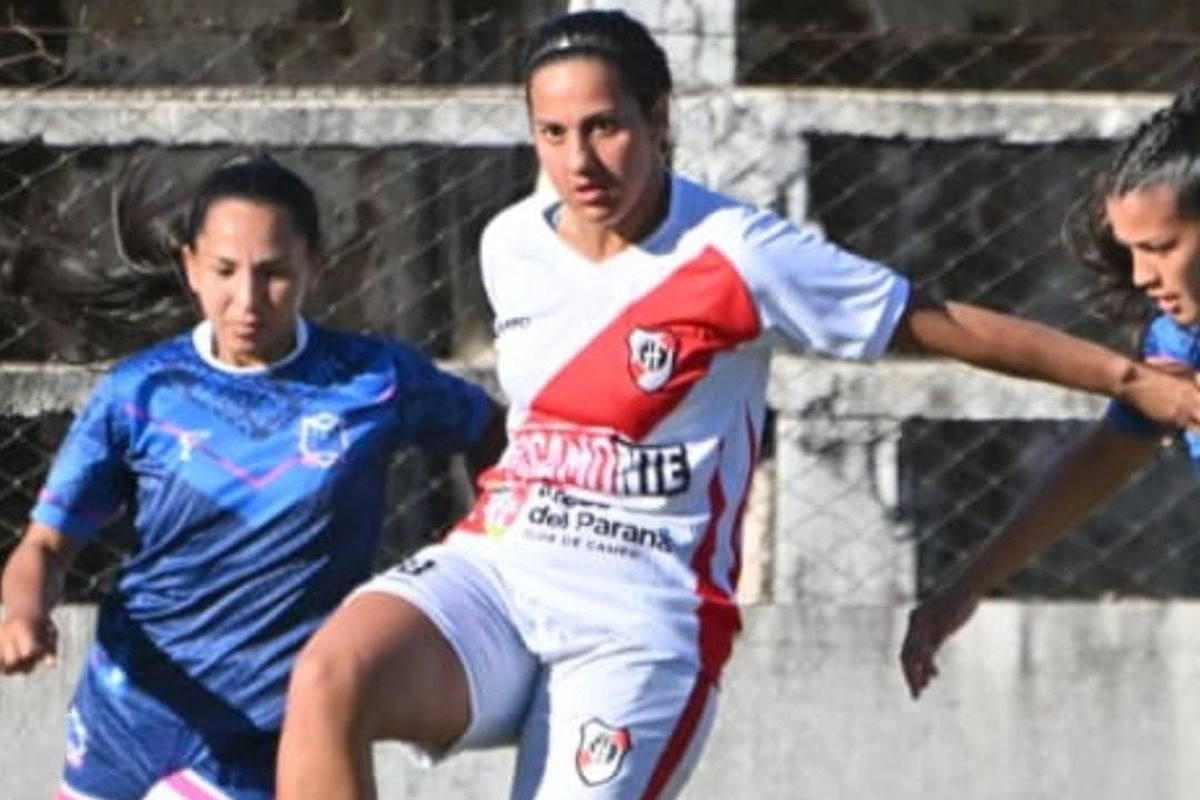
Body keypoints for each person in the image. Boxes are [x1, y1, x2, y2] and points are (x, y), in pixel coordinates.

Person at [275, 13, 1200, 800]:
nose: (579, 160)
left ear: (659, 116)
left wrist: (1125, 379)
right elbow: (1120, 443)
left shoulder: (739, 253)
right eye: (552, 134)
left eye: (604, 127)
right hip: (505, 571)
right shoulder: (508, 242)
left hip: (638, 617)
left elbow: (927, 319)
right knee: (328, 676)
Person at [0, 154, 506, 800]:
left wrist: (481, 551)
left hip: (269, 736)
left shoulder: (373, 381)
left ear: (314, 266)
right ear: (190, 267)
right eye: (225, 271)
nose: (247, 299)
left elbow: (492, 432)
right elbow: (44, 546)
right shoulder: (139, 393)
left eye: (273, 274)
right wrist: (24, 613)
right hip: (132, 714)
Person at [899, 87, 1200, 701]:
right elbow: (1106, 454)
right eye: (1132, 250)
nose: (1143, 276)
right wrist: (968, 585)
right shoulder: (1179, 343)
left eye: (1160, 248)